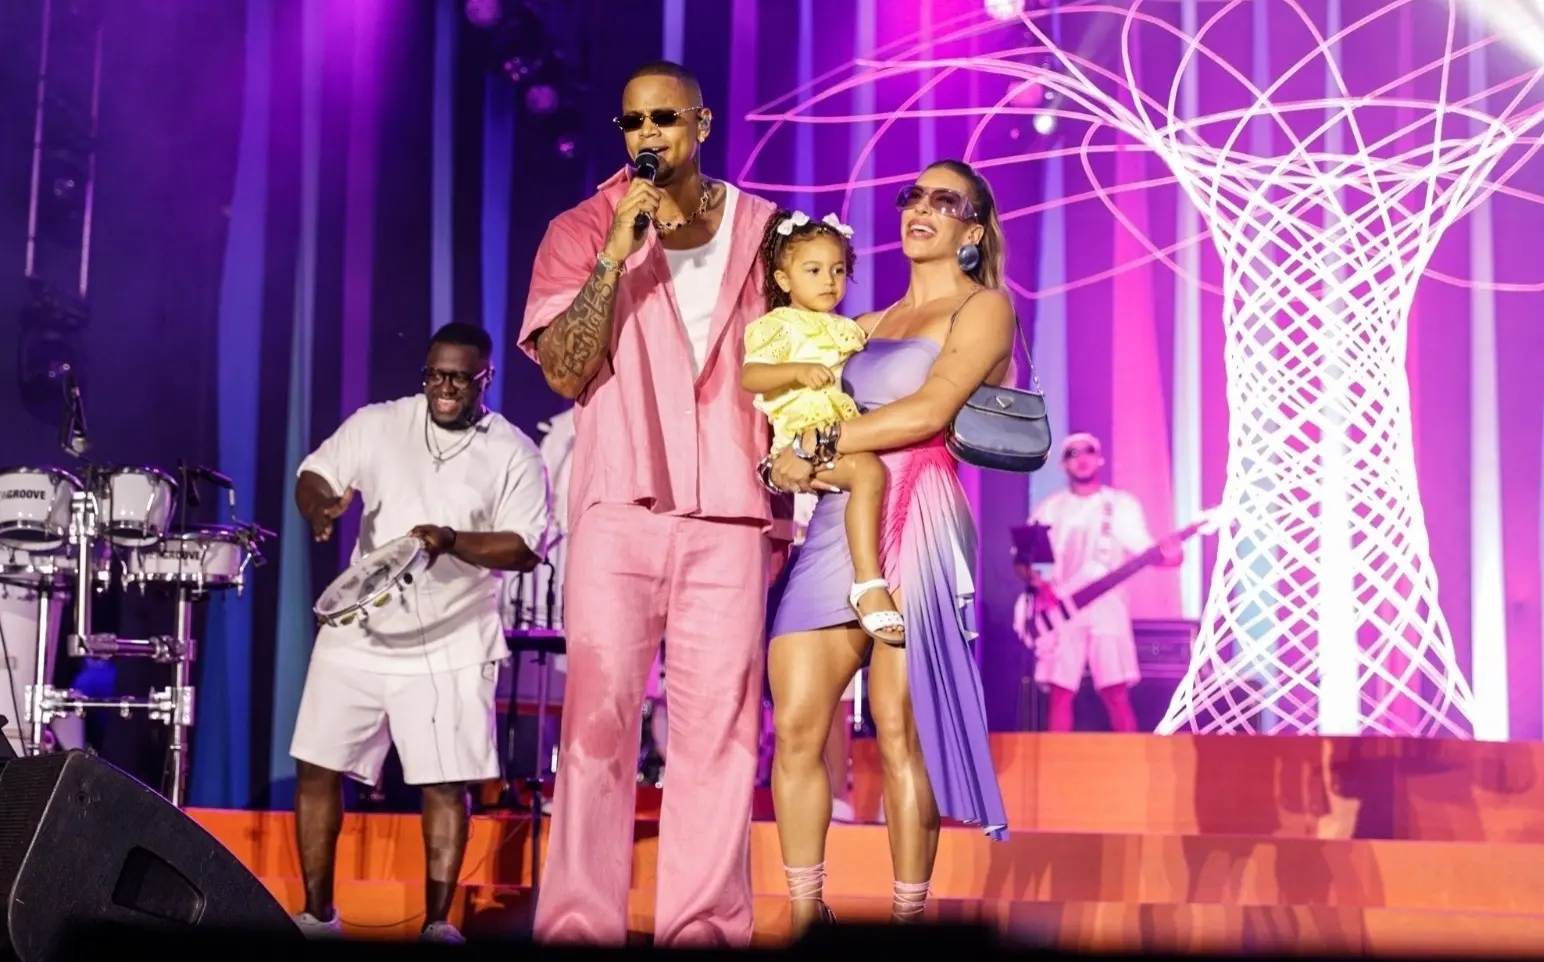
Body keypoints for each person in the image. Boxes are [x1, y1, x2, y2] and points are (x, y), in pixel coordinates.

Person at [518, 60, 779, 948]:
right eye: (632, 123)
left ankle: (702, 929)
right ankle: (579, 928)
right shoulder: (584, 227)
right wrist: (611, 257)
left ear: (700, 123)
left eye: (664, 119)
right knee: (596, 731)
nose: (646, 137)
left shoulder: (763, 231)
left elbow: (800, 367)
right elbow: (562, 368)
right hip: (621, 508)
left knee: (719, 741)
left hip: (734, 510)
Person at [766, 160, 1015, 931]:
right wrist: (781, 452)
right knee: (799, 725)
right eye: (914, 195)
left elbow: (933, 409)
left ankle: (909, 922)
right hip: (843, 511)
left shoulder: (984, 308)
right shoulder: (861, 326)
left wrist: (818, 440)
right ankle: (806, 914)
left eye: (947, 202)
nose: (922, 208)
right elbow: (791, 402)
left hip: (920, 513)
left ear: (971, 231)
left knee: (900, 727)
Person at [288, 322, 552, 944]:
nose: (444, 388)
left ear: (486, 378)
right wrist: (321, 505)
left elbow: (522, 548)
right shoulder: (381, 422)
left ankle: (438, 925)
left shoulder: (514, 452)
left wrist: (453, 540)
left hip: (453, 636)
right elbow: (316, 472)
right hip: (361, 628)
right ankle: (317, 915)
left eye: (459, 377)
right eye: (435, 374)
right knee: (317, 766)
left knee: (443, 781)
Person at [743, 210, 903, 644]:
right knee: (868, 472)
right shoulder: (775, 326)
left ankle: (861, 579)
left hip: (840, 436)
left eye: (837, 270)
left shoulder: (848, 330)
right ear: (783, 279)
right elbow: (750, 376)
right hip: (799, 442)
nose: (828, 280)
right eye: (813, 270)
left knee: (873, 476)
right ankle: (868, 583)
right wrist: (796, 370)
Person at [1016, 432, 1181, 732]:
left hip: (1107, 606)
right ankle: (1057, 766)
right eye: (1073, 454)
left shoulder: (1119, 504)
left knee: (1115, 691)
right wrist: (1043, 588)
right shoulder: (1050, 508)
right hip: (1061, 607)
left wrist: (1171, 557)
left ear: (1099, 457)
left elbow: (1146, 549)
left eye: (1088, 451)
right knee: (1060, 693)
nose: (1082, 459)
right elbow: (1025, 561)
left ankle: (1129, 767)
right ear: (1063, 464)